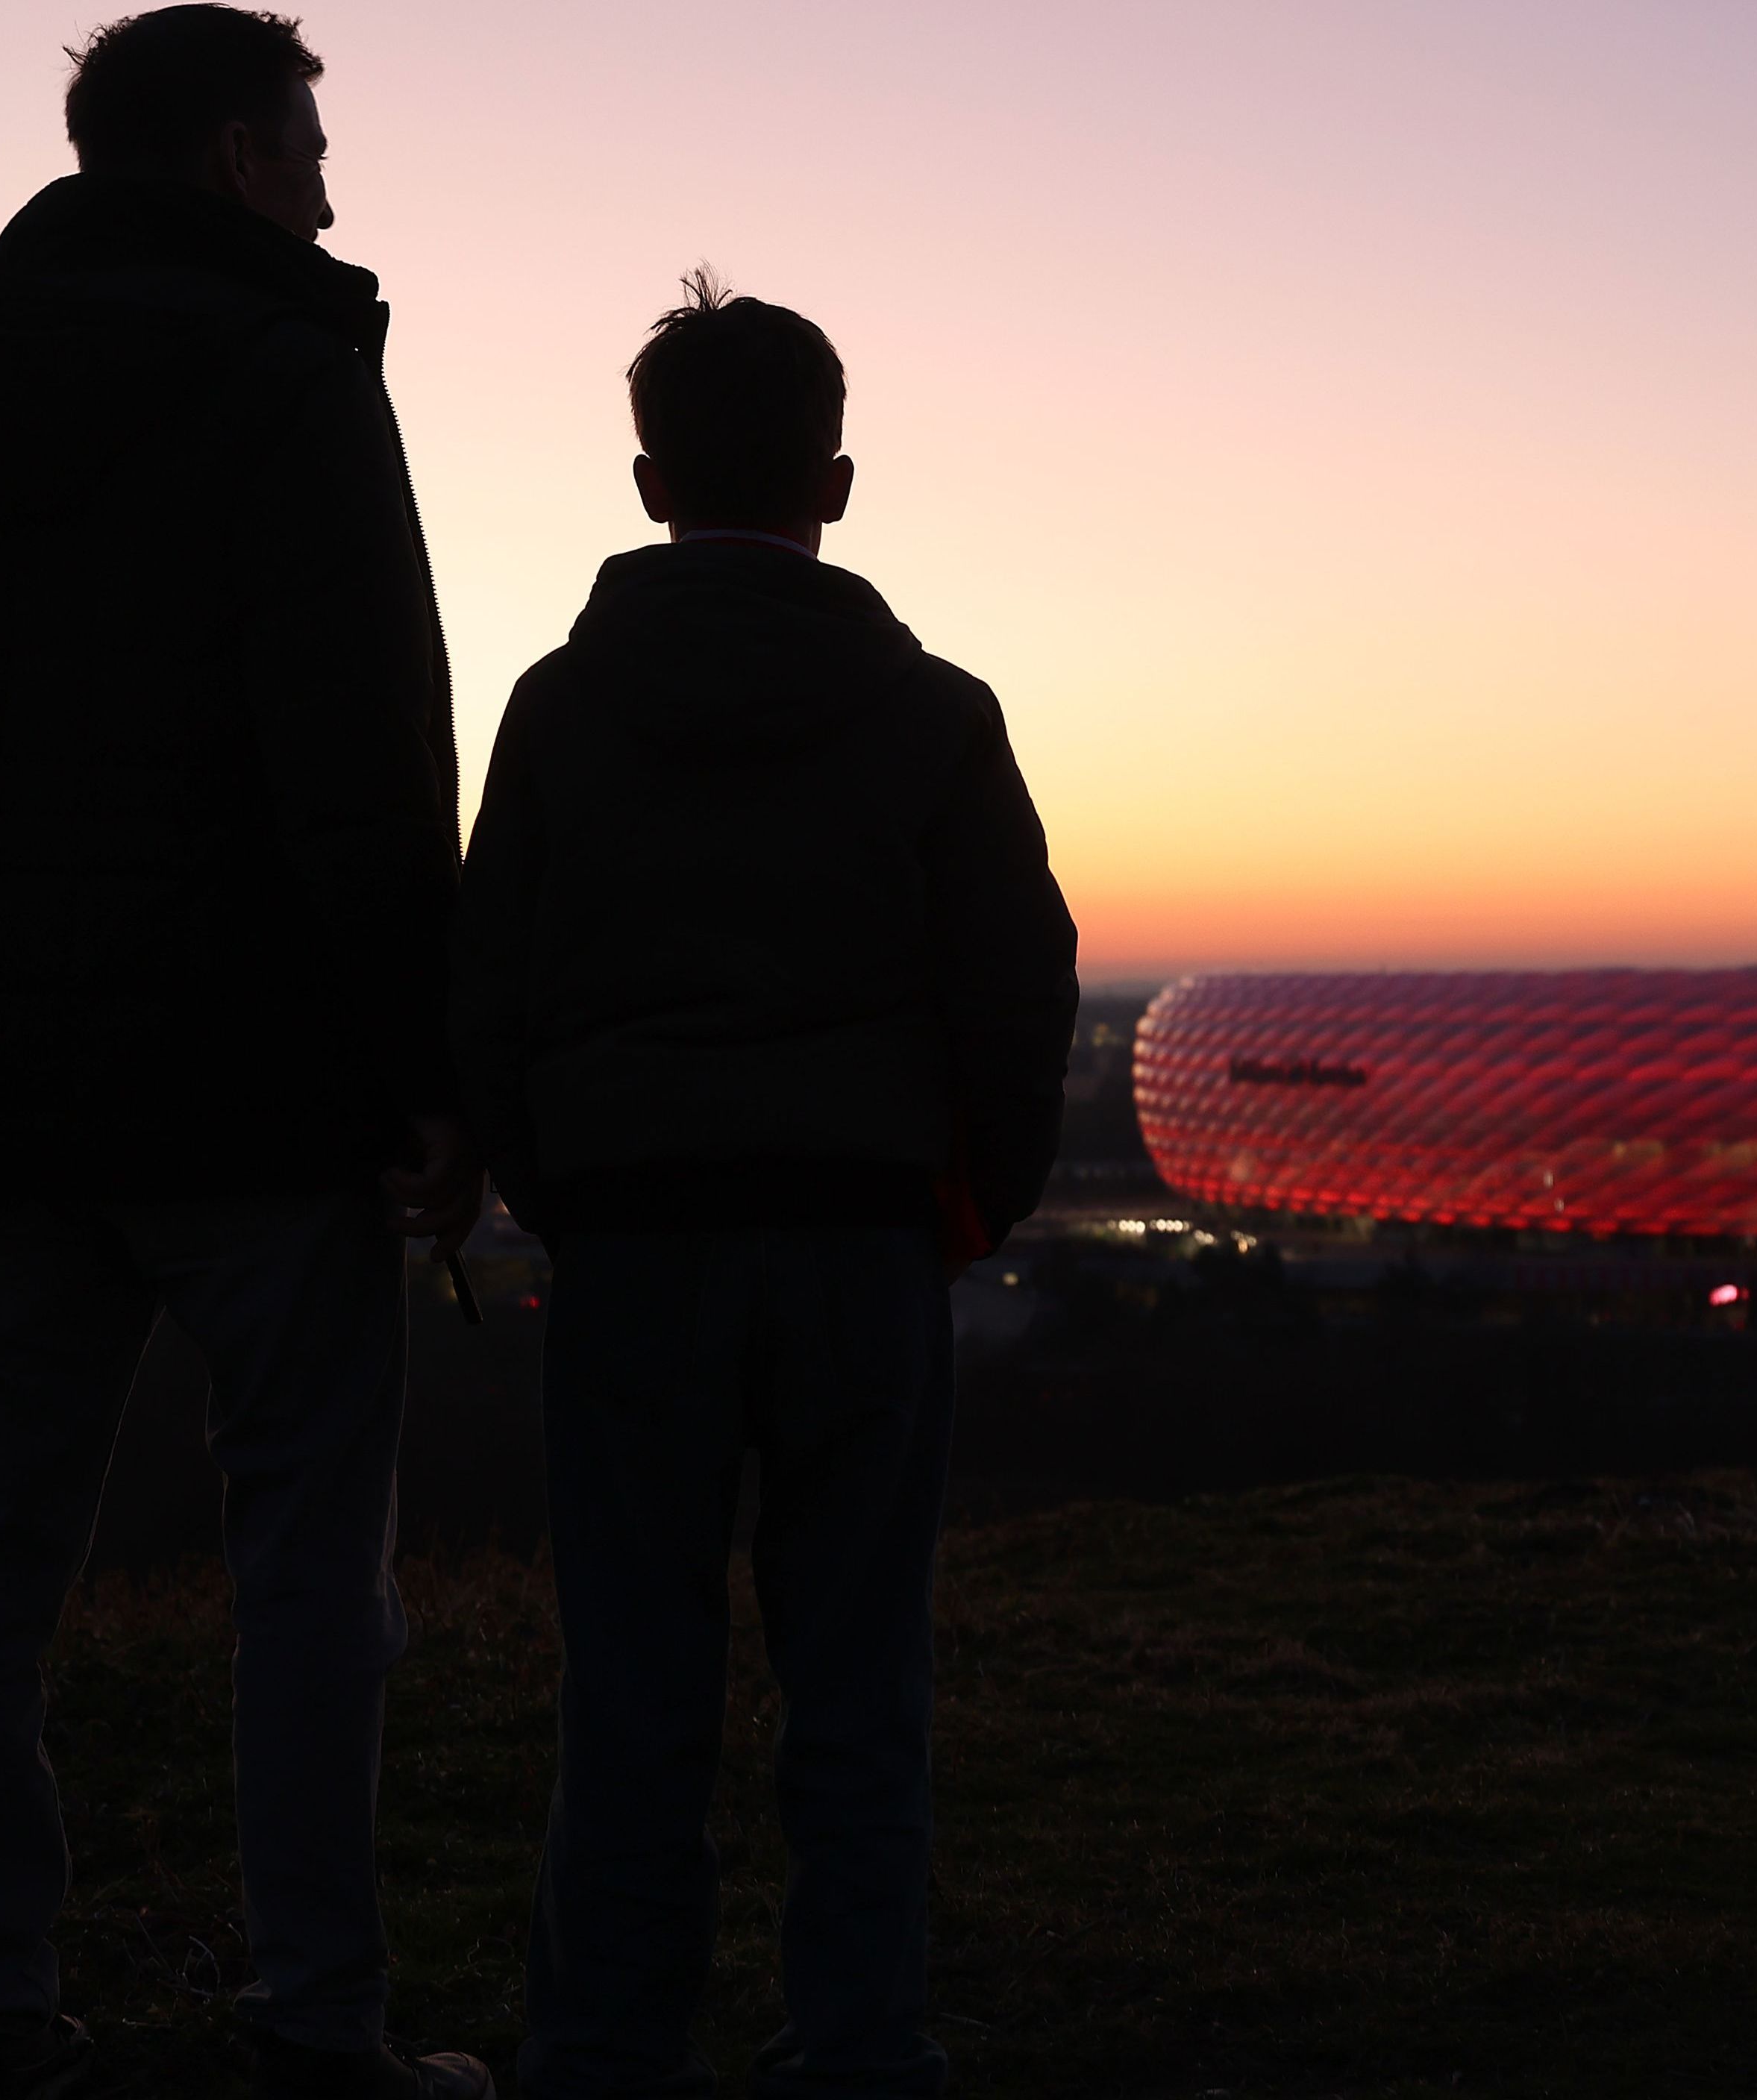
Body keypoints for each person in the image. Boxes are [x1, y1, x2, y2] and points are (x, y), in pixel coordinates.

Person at [0, 10, 492, 2096]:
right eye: (309, 148)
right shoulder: (291, 385)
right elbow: (366, 758)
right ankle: (316, 2024)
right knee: (311, 1563)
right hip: (257, 1085)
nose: (329, 190)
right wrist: (431, 1066)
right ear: (232, 157)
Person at [450, 275, 1079, 2099]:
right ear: (841, 480)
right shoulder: (936, 713)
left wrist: (561, 1179)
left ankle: (603, 2048)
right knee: (860, 1668)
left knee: (633, 1674)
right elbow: (1014, 983)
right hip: (866, 1237)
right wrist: (972, 1201)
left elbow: (488, 978)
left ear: (648, 483)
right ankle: (859, 2045)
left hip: (638, 1238)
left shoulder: (562, 707)